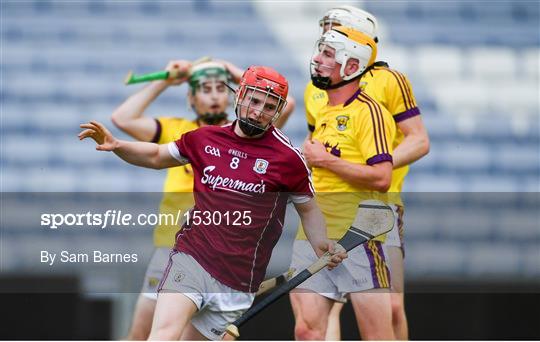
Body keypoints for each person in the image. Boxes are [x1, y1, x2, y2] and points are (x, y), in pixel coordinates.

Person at [79, 65, 347, 341]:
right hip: (193, 257)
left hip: (239, 279)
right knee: (162, 336)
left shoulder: (288, 159)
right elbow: (157, 156)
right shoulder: (206, 138)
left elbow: (308, 208)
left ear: (278, 111)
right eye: (254, 101)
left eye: (269, 106)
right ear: (239, 96)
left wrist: (320, 244)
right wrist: (118, 145)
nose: (258, 111)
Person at [111, 59, 296, 340]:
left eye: (219, 87)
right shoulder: (180, 131)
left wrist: (230, 68)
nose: (212, 95)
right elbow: (122, 119)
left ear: (235, 94)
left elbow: (286, 103)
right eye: (204, 88)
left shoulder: (250, 137)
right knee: (143, 334)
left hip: (224, 258)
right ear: (191, 98)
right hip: (174, 248)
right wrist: (166, 80)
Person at [303, 5, 430, 340]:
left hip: (380, 205)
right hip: (334, 208)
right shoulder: (315, 89)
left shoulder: (390, 80)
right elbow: (317, 145)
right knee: (323, 308)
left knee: (390, 307)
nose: (324, 38)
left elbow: (419, 140)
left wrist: (372, 167)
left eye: (335, 29)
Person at [289, 26, 397, 340]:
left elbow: (382, 176)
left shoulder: (370, 113)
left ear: (352, 66)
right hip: (314, 235)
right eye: (319, 50)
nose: (317, 59)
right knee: (307, 330)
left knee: (376, 335)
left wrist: (325, 160)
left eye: (327, 53)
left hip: (356, 237)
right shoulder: (324, 111)